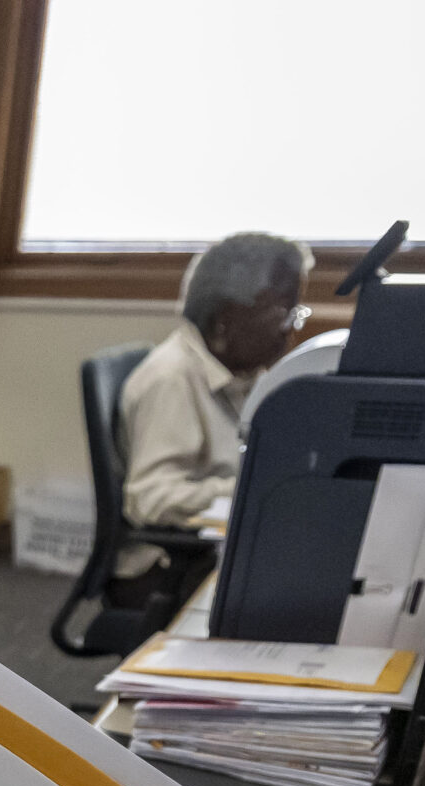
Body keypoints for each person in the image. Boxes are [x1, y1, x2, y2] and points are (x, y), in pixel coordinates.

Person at [114, 232, 313, 575]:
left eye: (296, 313)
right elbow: (150, 498)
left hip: (216, 544)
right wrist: (252, 490)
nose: (289, 331)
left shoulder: (241, 373)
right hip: (170, 567)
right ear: (226, 320)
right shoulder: (172, 379)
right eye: (283, 313)